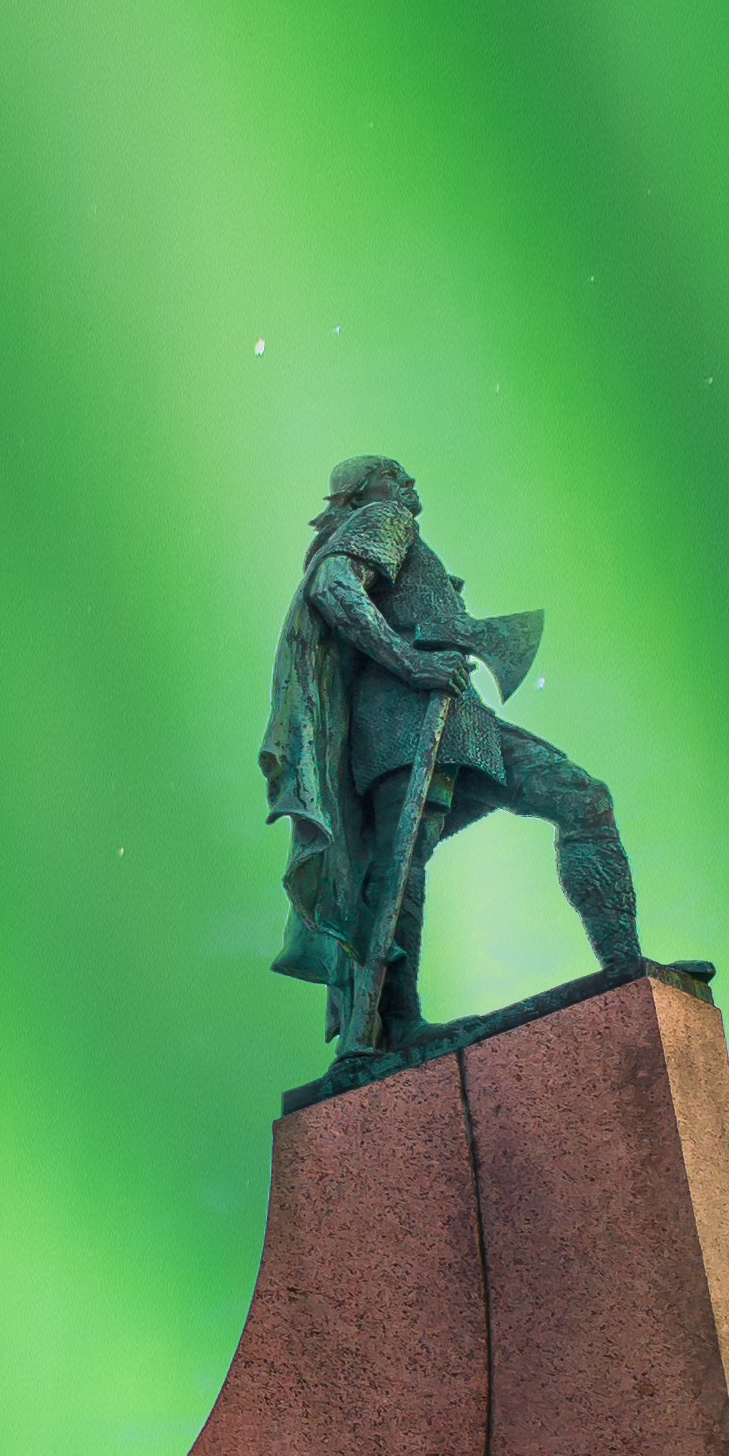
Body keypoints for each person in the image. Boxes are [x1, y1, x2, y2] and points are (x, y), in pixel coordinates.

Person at [258, 455, 653, 1070]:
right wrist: (413, 661)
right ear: (362, 494)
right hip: (405, 722)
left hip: (459, 720)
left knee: (579, 798)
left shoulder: (400, 534)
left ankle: (629, 973)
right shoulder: (381, 519)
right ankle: (391, 1028)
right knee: (396, 868)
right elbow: (334, 586)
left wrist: (444, 627)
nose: (407, 482)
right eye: (392, 474)